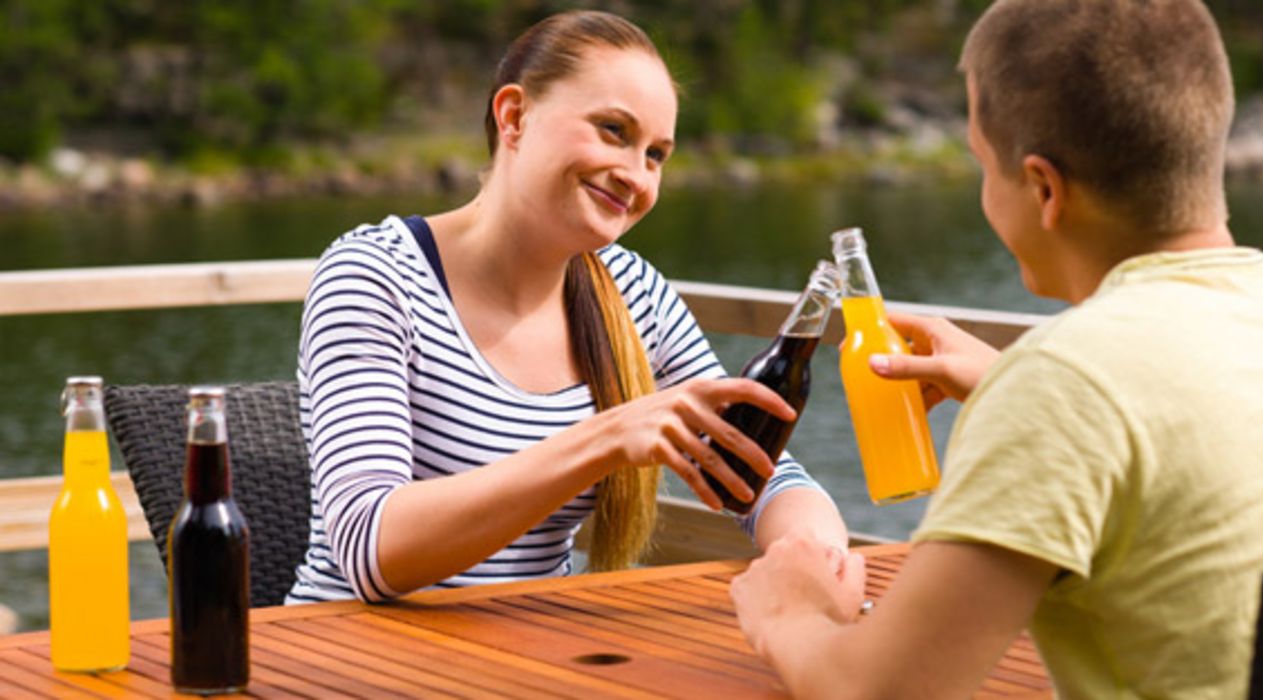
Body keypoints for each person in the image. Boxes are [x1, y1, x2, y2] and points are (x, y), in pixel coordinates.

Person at [729, 0, 1263, 697]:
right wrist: (1007, 387)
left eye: (984, 168)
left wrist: (789, 611)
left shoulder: (1062, 380)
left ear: (1044, 188)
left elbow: (878, 690)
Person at [288, 10, 847, 604]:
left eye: (656, 155)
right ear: (514, 116)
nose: (636, 175)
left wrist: (818, 556)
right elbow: (371, 552)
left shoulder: (633, 292)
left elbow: (761, 472)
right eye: (613, 130)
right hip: (350, 657)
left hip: (534, 655)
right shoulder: (376, 275)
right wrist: (605, 439)